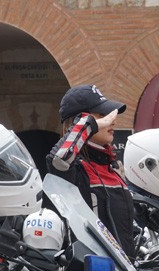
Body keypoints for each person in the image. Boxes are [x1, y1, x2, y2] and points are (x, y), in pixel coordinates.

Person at [47, 84, 136, 257]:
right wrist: (92, 125)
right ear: (79, 122)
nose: (112, 121)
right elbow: (58, 159)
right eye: (102, 115)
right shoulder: (74, 168)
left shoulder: (112, 168)